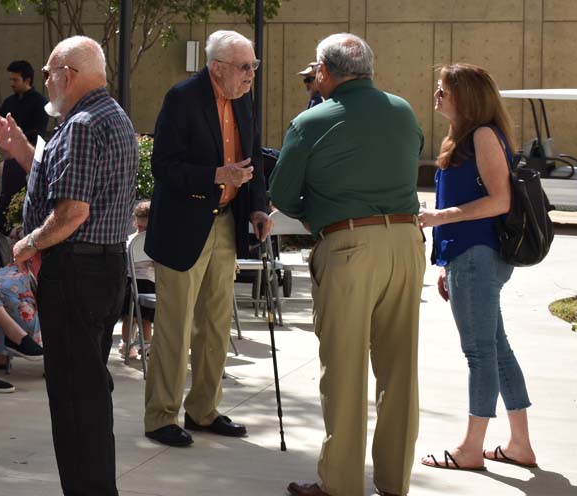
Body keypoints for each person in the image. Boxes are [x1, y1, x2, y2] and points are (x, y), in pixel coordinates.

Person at [269, 33, 425, 496]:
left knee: (344, 368)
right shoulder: (403, 110)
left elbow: (282, 194)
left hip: (349, 245)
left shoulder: (311, 121)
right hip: (407, 241)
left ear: (324, 71)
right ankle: (394, 481)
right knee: (400, 369)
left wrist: (319, 212)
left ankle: (340, 484)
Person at [0, 36, 138, 496]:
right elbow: (66, 183)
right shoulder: (111, 116)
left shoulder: (81, 124)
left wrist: (27, 244)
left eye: (49, 72)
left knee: (76, 403)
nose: (46, 81)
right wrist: (21, 150)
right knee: (88, 395)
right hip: (102, 270)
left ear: (68, 75)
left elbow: (73, 212)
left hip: (76, 273)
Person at [142, 30, 272, 447]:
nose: (251, 74)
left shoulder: (244, 99)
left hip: (227, 223)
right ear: (217, 68)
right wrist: (216, 175)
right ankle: (161, 417)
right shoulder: (182, 98)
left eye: (254, 65)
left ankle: (203, 410)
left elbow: (253, 159)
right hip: (184, 226)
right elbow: (163, 166)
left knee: (216, 325)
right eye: (244, 67)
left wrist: (258, 207)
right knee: (175, 327)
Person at [418, 64, 537, 472]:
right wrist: (447, 262)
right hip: (469, 257)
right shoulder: (465, 136)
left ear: (465, 98)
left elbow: (500, 201)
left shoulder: (483, 135)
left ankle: (471, 449)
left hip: (478, 257)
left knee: (479, 353)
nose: (436, 96)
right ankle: (519, 444)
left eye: (443, 91)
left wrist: (439, 218)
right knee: (497, 350)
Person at [0, 61, 49, 236]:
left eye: (15, 80)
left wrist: (19, 141)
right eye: (10, 79)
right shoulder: (9, 102)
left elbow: (38, 132)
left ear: (27, 80)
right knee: (5, 198)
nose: (11, 83)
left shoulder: (40, 103)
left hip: (29, 159)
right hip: (8, 160)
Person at [118, 200, 154, 363]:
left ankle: (133, 345)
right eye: (140, 228)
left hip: (133, 282)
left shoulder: (130, 241)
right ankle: (136, 345)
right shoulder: (147, 243)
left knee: (134, 318)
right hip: (142, 283)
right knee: (138, 318)